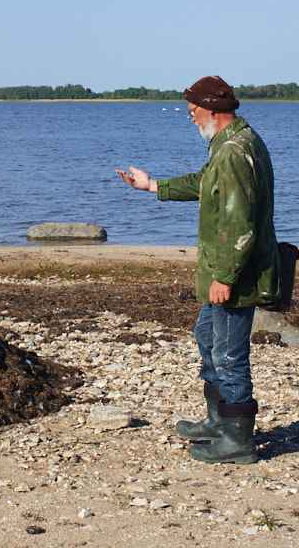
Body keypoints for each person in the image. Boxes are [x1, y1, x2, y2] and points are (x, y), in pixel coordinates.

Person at [116, 75, 280, 464]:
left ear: (212, 110)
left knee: (229, 354)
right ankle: (217, 421)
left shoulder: (234, 152)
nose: (190, 119)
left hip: (235, 274)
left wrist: (224, 277)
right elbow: (207, 184)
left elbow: (240, 222)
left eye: (192, 112)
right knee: (207, 335)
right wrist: (153, 185)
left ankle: (237, 441)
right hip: (224, 269)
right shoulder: (229, 144)